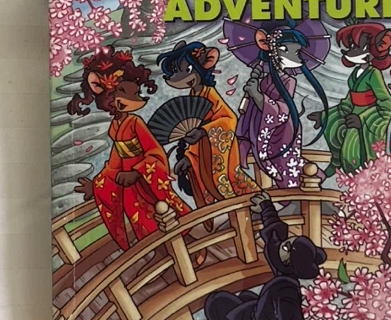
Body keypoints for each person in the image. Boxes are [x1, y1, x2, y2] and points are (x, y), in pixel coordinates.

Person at [191, 192, 326, 320]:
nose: (282, 244)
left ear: (290, 261)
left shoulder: (287, 292)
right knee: (241, 298)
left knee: (216, 303)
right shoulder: (284, 270)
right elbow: (275, 239)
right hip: (257, 317)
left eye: (287, 247)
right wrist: (266, 208)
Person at [72, 49, 189, 249]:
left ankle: (189, 250)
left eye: (136, 94)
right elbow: (115, 164)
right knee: (141, 221)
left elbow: (154, 151)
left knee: (167, 214)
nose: (138, 99)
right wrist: (98, 185)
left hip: (146, 180)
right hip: (130, 187)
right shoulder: (115, 127)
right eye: (130, 94)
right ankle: (161, 255)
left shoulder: (135, 123)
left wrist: (137, 172)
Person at [157, 41, 256, 205]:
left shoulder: (210, 94)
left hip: (216, 154)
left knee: (232, 186)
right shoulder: (194, 95)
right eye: (176, 71)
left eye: (188, 70)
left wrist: (203, 131)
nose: (179, 77)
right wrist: (189, 158)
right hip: (203, 154)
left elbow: (229, 120)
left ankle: (253, 207)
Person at [233, 22, 329, 187]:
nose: (299, 57)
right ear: (278, 51)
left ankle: (292, 194)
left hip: (283, 131)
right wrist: (253, 94)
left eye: (298, 52)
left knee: (287, 167)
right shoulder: (265, 80)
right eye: (295, 51)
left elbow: (283, 111)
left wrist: (257, 95)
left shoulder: (289, 81)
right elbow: (252, 111)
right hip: (266, 130)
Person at [322, 22, 391, 175]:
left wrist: (362, 120)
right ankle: (335, 165)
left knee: (354, 149)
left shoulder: (374, 73)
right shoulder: (356, 72)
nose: (348, 51)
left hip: (366, 118)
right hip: (353, 113)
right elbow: (350, 100)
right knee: (335, 128)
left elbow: (387, 103)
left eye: (355, 47)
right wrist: (325, 115)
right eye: (350, 47)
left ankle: (360, 179)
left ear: (371, 50)